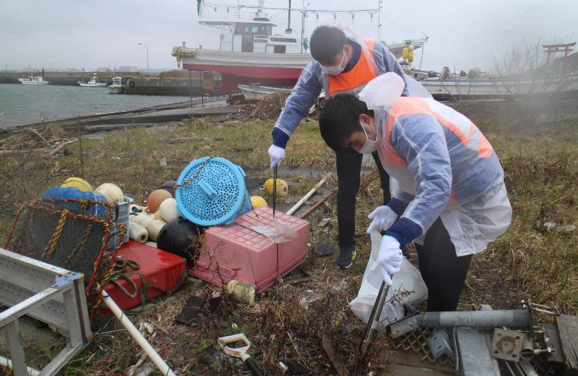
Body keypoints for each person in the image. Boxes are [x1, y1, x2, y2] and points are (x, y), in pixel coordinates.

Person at [318, 73, 512, 311]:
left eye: (354, 143)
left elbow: (436, 184)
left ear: (363, 120)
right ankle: (434, 309)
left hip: (471, 185)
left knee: (445, 261)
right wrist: (396, 206)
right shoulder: (383, 125)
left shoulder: (406, 124)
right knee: (426, 250)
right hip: (449, 188)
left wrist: (397, 234)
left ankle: (441, 323)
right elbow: (415, 175)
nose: (359, 150)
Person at [268, 25, 431, 269]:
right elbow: (299, 99)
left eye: (330, 62)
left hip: (382, 130)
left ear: (345, 48)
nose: (327, 68)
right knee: (347, 188)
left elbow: (402, 88)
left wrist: (403, 130)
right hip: (346, 134)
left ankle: (397, 239)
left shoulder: (375, 53)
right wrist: (280, 140)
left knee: (393, 184)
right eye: (322, 64)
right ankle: (346, 244)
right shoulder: (319, 66)